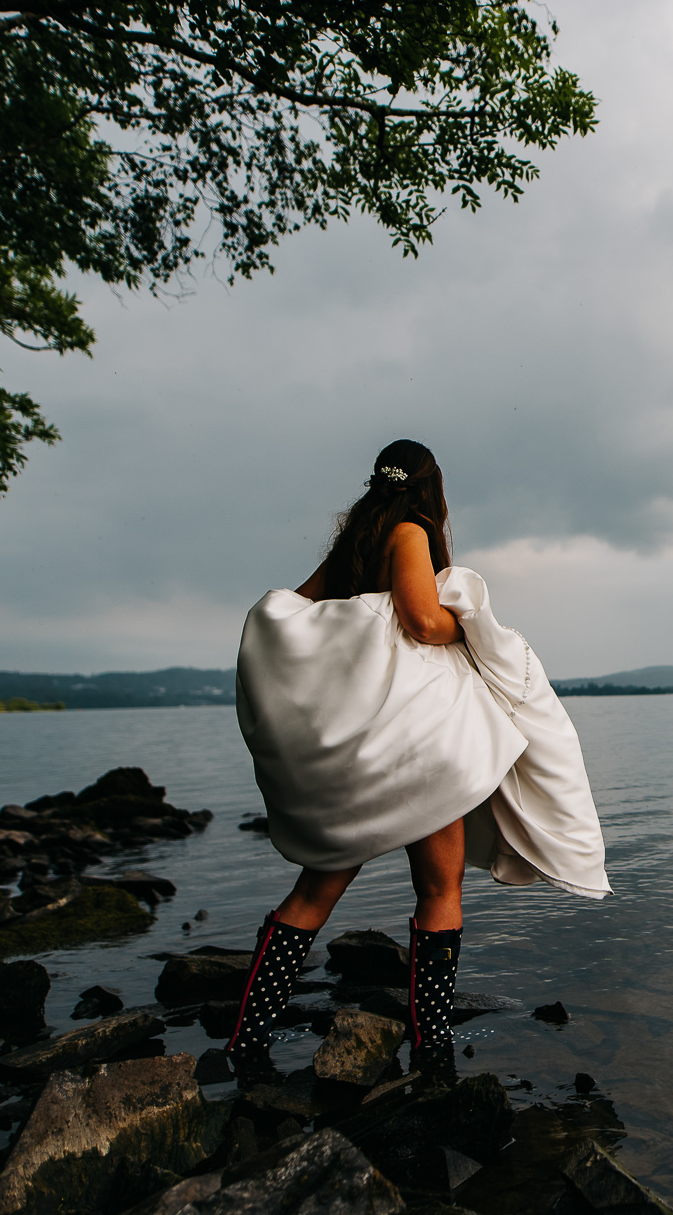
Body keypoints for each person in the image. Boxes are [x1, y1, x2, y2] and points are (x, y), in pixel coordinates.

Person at [229, 439, 611, 1072]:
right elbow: (421, 621)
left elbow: (297, 611)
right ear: (430, 488)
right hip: (418, 744)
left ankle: (248, 1038)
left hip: (363, 749)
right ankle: (431, 1044)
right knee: (439, 889)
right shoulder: (410, 531)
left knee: (313, 892)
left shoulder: (352, 543)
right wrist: (475, 628)